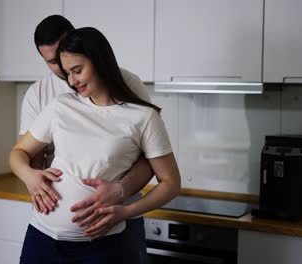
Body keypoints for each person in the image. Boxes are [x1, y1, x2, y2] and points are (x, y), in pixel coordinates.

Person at [10, 27, 181, 263]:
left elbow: (171, 182)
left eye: (78, 70)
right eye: (68, 73)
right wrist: (30, 175)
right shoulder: (61, 105)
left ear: (99, 61)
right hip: (41, 239)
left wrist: (126, 211)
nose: (72, 81)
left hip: (100, 247)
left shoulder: (143, 116)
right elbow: (19, 152)